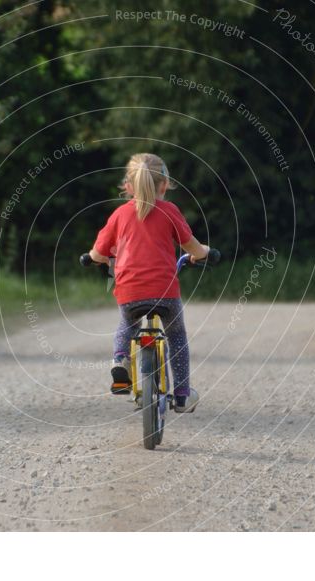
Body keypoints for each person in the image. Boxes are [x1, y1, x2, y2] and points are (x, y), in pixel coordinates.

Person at [88, 153, 210, 413]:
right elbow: (191, 246)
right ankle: (181, 395)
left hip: (129, 291)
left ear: (128, 186)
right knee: (176, 336)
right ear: (164, 185)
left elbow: (98, 253)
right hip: (165, 292)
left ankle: (120, 360)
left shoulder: (119, 215)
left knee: (126, 324)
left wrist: (92, 259)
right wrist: (203, 253)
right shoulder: (169, 211)